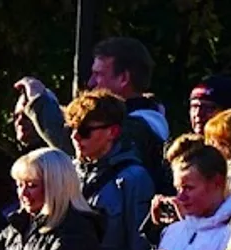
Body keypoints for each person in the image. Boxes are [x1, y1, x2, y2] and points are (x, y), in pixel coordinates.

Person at [15, 38, 169, 188]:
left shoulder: (136, 130)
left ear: (123, 78)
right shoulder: (145, 126)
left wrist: (39, 100)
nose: (91, 83)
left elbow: (67, 140)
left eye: (98, 74)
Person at [66, 89, 156, 250]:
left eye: (84, 131)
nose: (75, 137)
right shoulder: (68, 173)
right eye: (71, 129)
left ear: (112, 132)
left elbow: (140, 247)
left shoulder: (134, 178)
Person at [144, 140, 231, 250]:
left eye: (189, 188)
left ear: (217, 182)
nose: (180, 197)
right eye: (178, 189)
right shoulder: (172, 231)